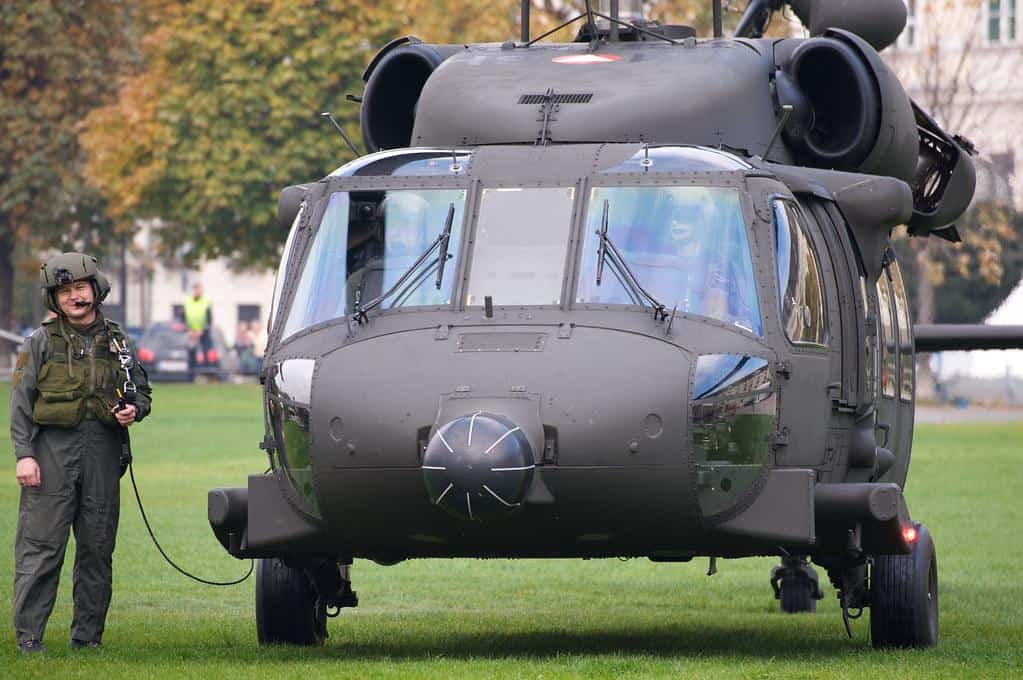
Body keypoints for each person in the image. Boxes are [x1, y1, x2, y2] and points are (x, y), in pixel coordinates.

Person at [10, 253, 152, 654]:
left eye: (80, 288)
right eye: (65, 291)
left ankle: (87, 636)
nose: (75, 296)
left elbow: (141, 392)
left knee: (97, 546)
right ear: (55, 298)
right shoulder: (38, 343)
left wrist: (133, 409)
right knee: (42, 546)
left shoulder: (119, 342)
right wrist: (25, 455)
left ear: (95, 289)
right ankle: (30, 637)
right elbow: (21, 403)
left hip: (102, 453)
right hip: (51, 451)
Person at [183, 282, 212, 367]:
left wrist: (202, 330)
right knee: (191, 353)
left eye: (201, 290)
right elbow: (184, 317)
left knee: (205, 352)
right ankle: (191, 376)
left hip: (203, 332)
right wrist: (189, 330)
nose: (200, 291)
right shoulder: (188, 302)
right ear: (194, 290)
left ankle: (205, 373)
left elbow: (209, 319)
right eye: (198, 289)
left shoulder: (206, 302)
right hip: (191, 332)